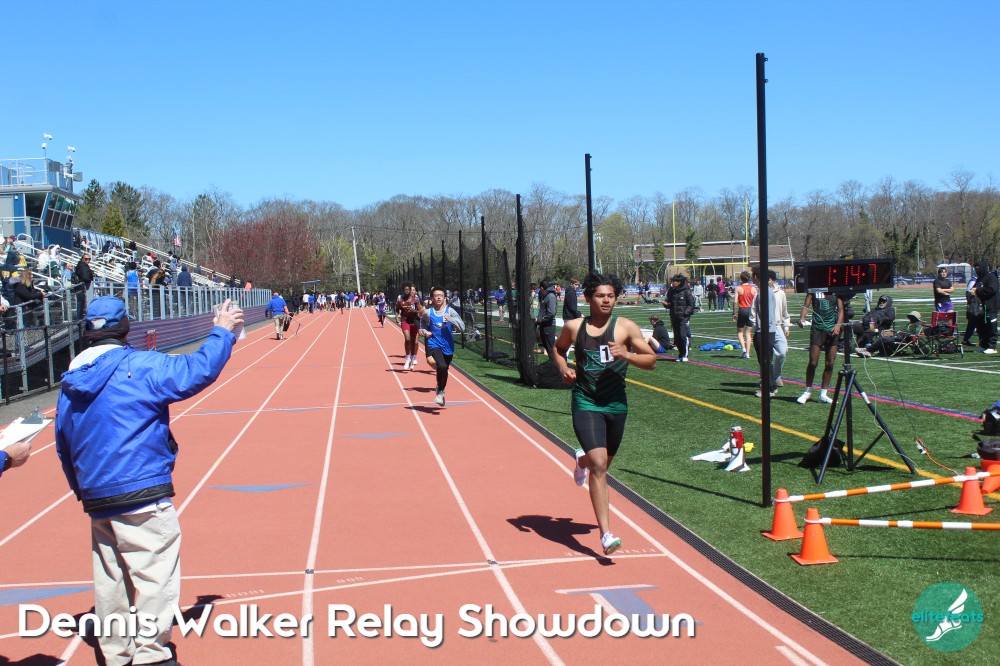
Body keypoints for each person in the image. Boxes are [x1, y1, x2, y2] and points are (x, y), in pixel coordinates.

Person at [55, 296, 243, 666]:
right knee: (156, 574)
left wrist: (82, 490)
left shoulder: (72, 380)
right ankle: (152, 655)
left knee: (110, 580)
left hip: (97, 493)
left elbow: (64, 441)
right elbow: (197, 370)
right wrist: (222, 332)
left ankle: (117, 654)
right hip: (140, 485)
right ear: (126, 327)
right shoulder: (138, 366)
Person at [552, 272, 656, 557]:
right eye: (600, 296)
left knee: (602, 464)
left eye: (611, 295)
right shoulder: (575, 327)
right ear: (588, 298)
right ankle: (606, 535)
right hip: (586, 402)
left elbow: (651, 361)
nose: (607, 300)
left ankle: (581, 459)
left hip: (616, 405)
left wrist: (627, 354)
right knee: (599, 466)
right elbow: (558, 349)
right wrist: (564, 368)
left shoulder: (625, 327)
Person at [418, 286, 466, 406]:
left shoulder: (450, 311)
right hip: (434, 343)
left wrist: (450, 319)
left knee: (444, 369)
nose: (438, 297)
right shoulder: (428, 312)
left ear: (444, 298)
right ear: (432, 298)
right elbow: (422, 322)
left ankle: (440, 389)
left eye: (441, 295)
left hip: (448, 345)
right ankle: (440, 393)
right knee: (442, 365)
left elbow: (462, 327)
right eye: (436, 295)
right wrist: (424, 331)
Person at [797, 290, 844, 404]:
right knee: (813, 362)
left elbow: (841, 309)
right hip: (817, 329)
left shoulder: (835, 291)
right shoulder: (814, 289)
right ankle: (807, 391)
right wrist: (802, 318)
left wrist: (838, 325)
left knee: (830, 363)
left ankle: (823, 394)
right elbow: (806, 305)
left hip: (831, 329)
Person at [749, 267, 786, 397]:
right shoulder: (765, 291)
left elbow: (768, 315)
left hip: (765, 331)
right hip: (767, 330)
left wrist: (763, 331)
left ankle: (768, 389)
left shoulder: (764, 292)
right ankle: (771, 386)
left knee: (765, 361)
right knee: (766, 361)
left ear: (756, 277)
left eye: (753, 276)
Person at [663, 273, 695, 361]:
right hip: (674, 317)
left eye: (675, 281)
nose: (673, 283)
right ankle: (680, 355)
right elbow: (670, 303)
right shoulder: (671, 291)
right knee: (677, 338)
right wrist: (666, 304)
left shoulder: (686, 291)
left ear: (680, 282)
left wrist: (685, 313)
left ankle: (685, 355)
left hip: (683, 318)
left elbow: (691, 305)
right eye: (673, 281)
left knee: (682, 335)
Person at [972, 260, 998, 353]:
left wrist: (978, 290)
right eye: (976, 269)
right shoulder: (980, 278)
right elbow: (975, 288)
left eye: (978, 268)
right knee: (981, 326)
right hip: (980, 307)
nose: (977, 270)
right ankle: (984, 345)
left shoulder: (991, 277)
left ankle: (992, 346)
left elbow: (992, 289)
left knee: (991, 325)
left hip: (990, 305)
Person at [396, 282, 422, 369]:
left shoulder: (415, 300)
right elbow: (397, 309)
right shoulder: (400, 300)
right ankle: (407, 358)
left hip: (414, 322)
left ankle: (413, 358)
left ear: (410, 290)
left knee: (414, 342)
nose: (406, 291)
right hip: (405, 321)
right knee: (407, 339)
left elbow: (421, 311)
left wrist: (413, 311)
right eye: (404, 290)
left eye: (408, 289)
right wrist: (397, 317)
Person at [732, 271, 756, 359]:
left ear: (741, 279)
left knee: (740, 331)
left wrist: (734, 313)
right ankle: (748, 353)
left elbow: (735, 301)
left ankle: (743, 348)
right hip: (750, 311)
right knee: (748, 333)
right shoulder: (753, 289)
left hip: (742, 310)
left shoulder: (738, 288)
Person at [536, 279, 558, 358]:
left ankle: (554, 363)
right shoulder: (545, 296)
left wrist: (540, 319)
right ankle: (552, 362)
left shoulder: (550, 296)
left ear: (542, 288)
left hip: (549, 326)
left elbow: (551, 313)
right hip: (544, 325)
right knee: (547, 347)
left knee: (550, 348)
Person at [963, 271, 982, 347]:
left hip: (976, 305)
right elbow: (969, 292)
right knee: (974, 323)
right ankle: (981, 342)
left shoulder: (978, 279)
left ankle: (966, 340)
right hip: (975, 306)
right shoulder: (974, 280)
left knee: (973, 324)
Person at [74, 253, 94, 320]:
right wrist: (89, 278)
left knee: (80, 303)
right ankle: (79, 319)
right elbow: (86, 277)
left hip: (79, 287)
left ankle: (79, 319)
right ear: (82, 259)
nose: (88, 260)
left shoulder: (79, 265)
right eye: (86, 259)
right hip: (82, 287)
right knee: (81, 303)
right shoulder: (84, 266)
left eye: (89, 259)